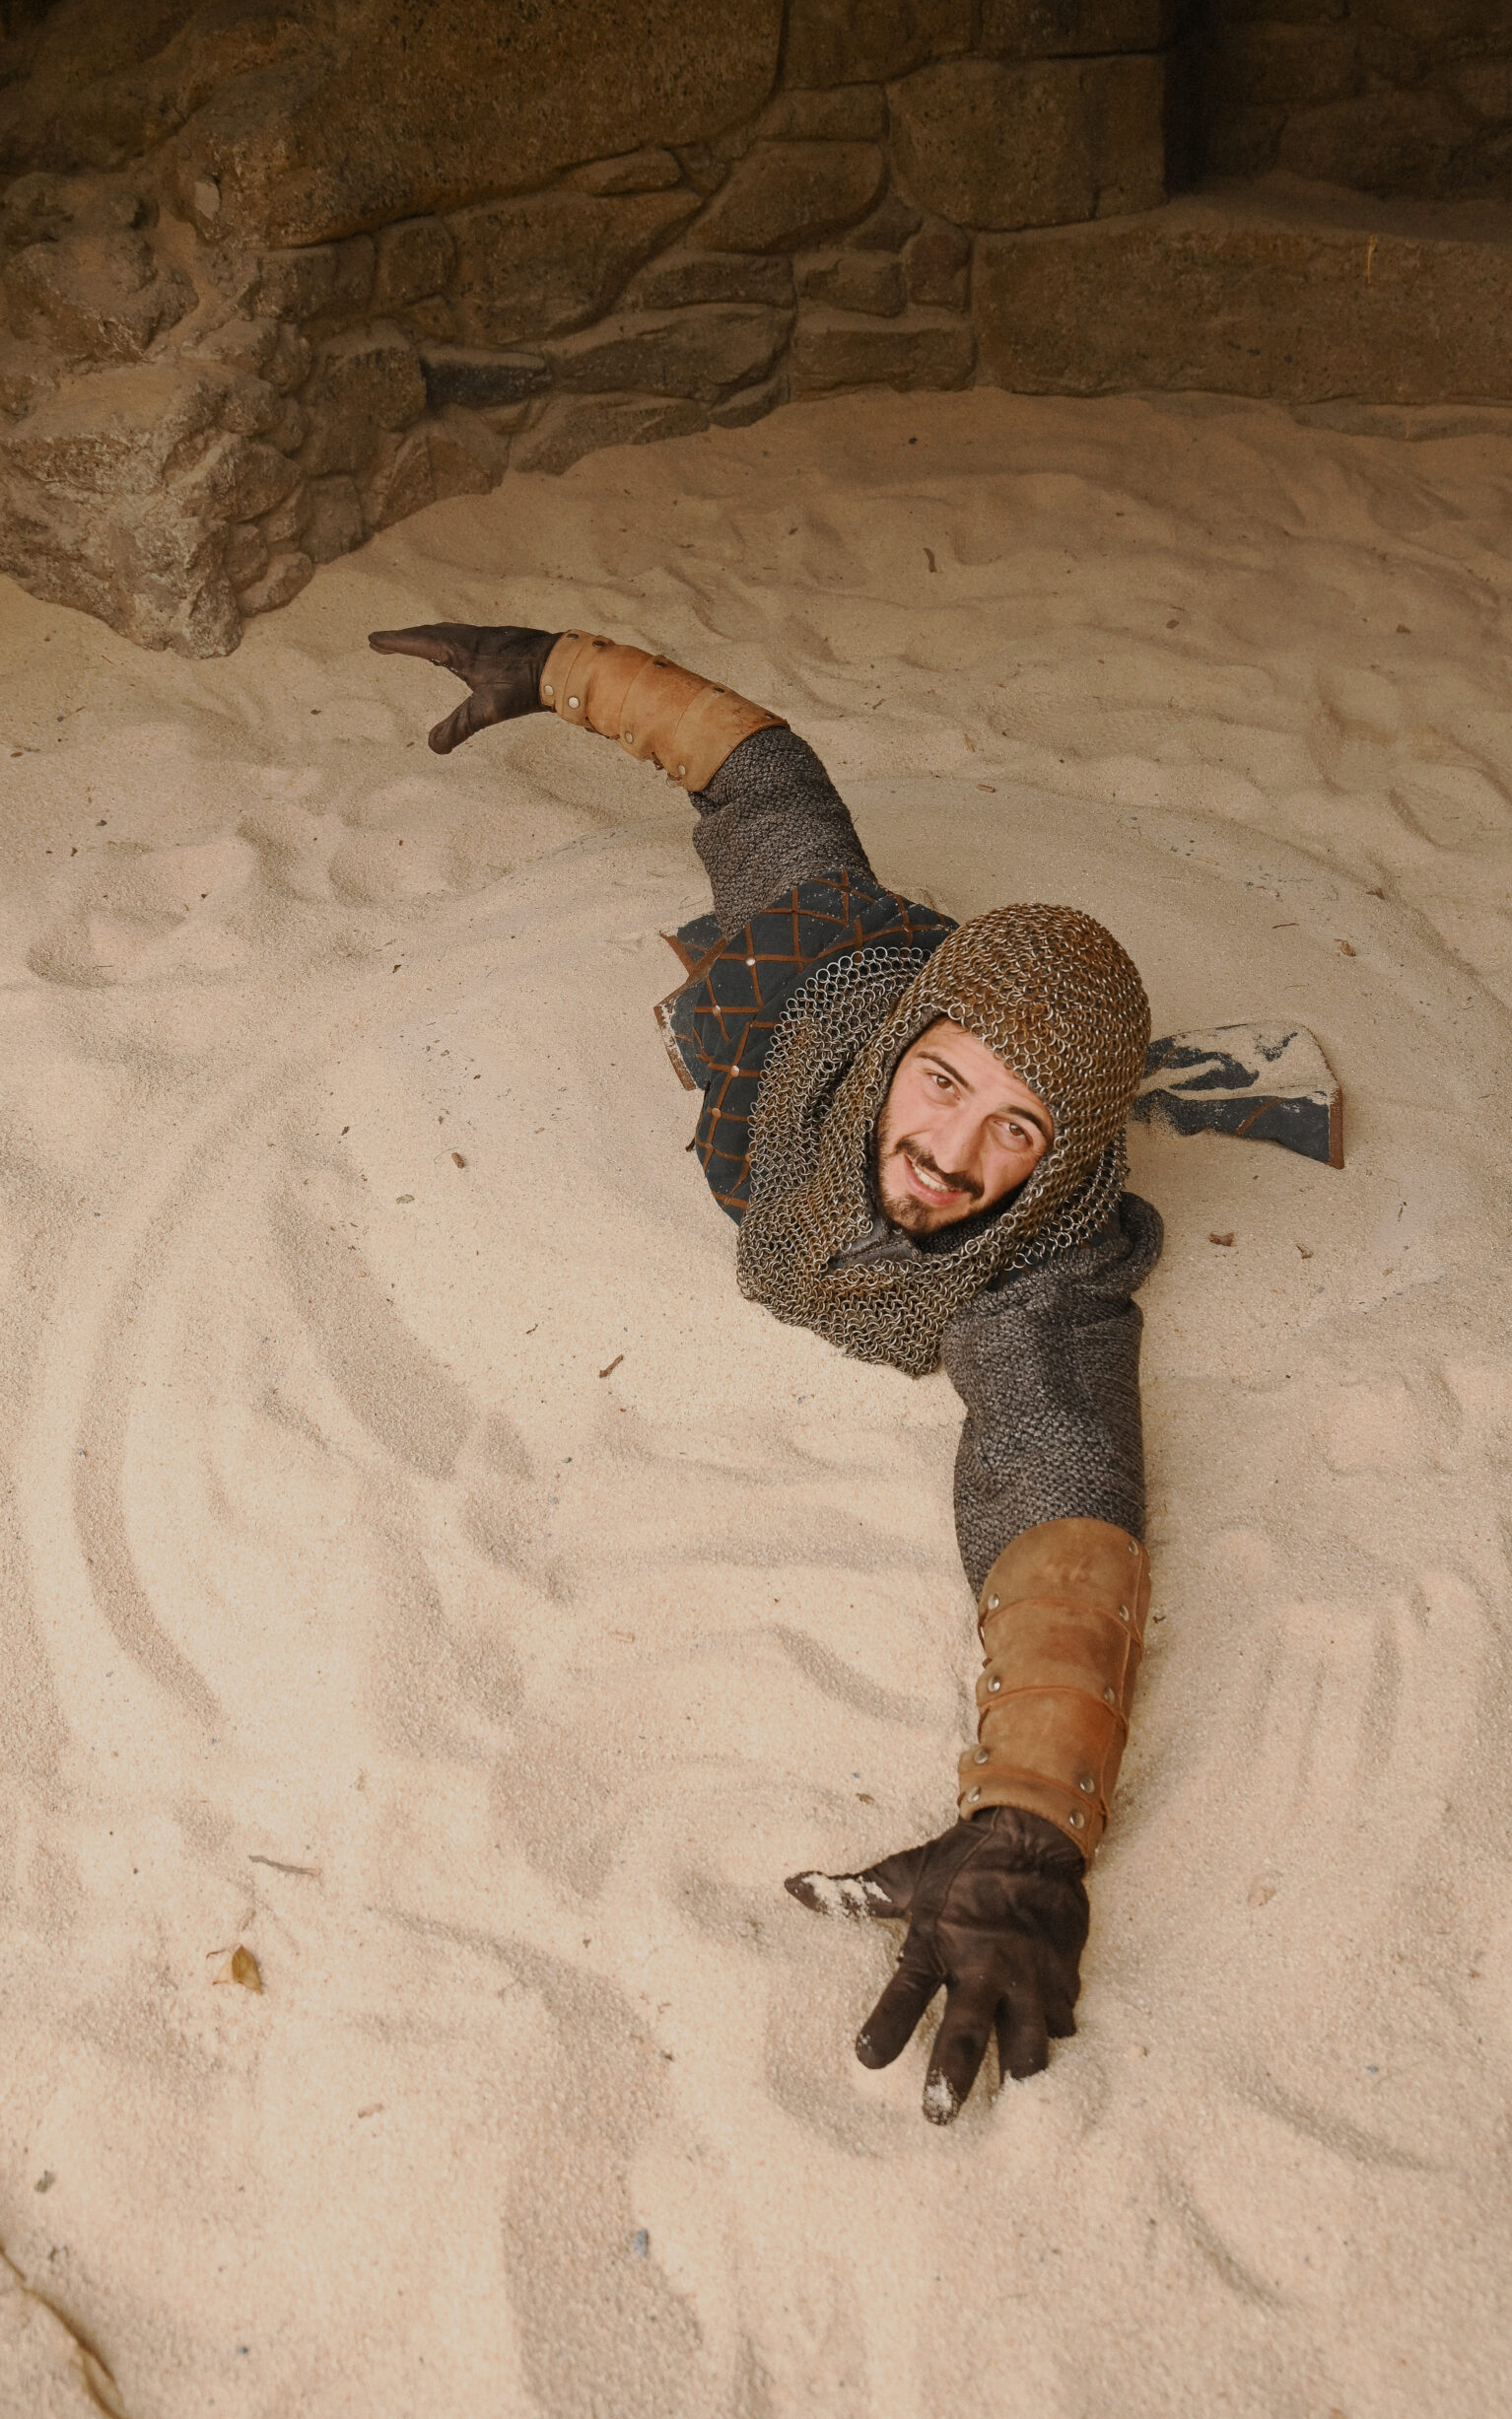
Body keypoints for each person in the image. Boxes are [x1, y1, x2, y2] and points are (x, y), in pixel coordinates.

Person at [370, 618, 1162, 2125]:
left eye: (1016, 1130)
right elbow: (756, 776)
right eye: (943, 1083)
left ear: (1060, 1165)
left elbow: (1064, 1478)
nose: (949, 1154)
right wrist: (557, 667)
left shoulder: (1043, 1264)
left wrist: (1028, 1831)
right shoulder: (821, 980)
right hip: (875, 949)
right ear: (900, 1047)